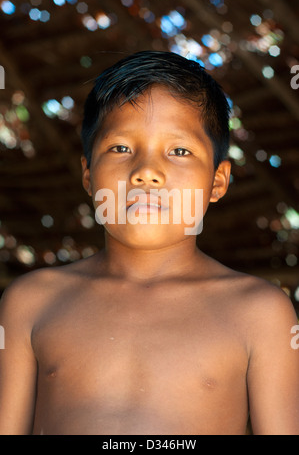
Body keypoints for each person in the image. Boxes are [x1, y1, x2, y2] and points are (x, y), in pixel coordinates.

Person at [0, 51, 298, 435]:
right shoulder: (32, 303)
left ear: (218, 182)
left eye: (179, 151)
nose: (146, 173)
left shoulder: (259, 312)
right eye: (121, 148)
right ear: (88, 175)